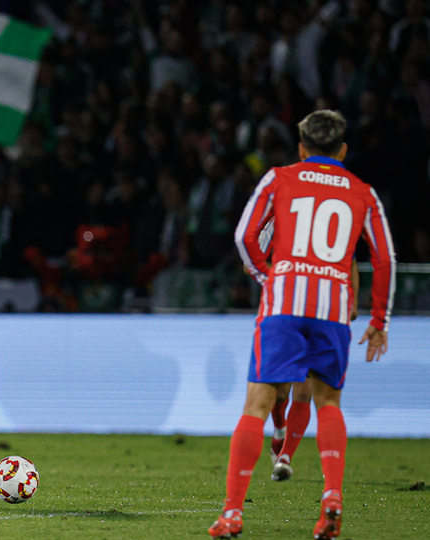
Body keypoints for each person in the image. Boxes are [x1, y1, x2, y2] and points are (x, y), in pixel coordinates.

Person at [209, 110, 395, 539]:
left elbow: (244, 236)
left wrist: (265, 276)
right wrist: (380, 318)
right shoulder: (363, 192)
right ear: (343, 150)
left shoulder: (278, 178)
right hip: (333, 308)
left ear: (301, 147)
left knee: (256, 403)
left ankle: (233, 513)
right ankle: (331, 498)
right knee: (328, 402)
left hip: (284, 301)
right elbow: (384, 258)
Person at [269, 260, 359, 483]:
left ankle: (285, 458)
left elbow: (352, 261)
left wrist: (353, 299)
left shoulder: (338, 226)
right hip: (286, 312)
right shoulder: (279, 225)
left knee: (304, 390)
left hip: (322, 313)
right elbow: (251, 260)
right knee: (279, 392)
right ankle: (280, 428)